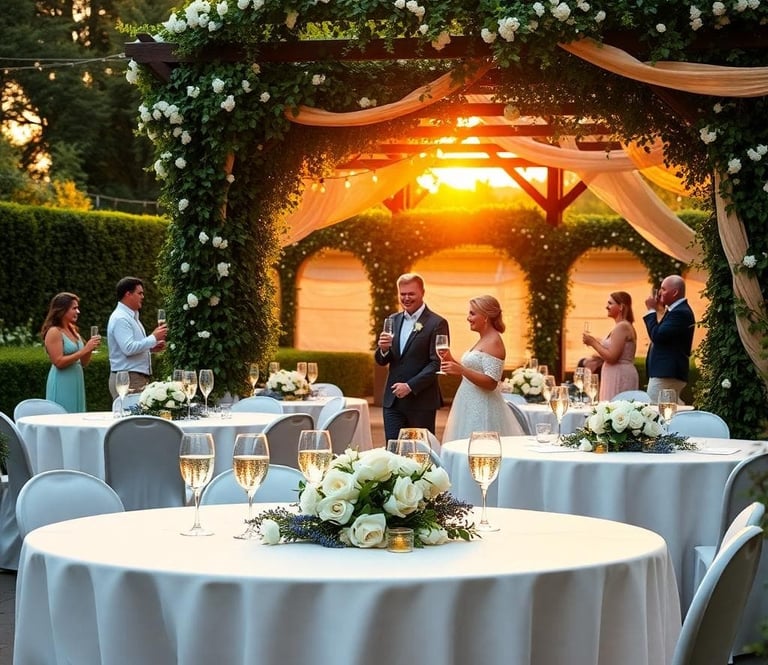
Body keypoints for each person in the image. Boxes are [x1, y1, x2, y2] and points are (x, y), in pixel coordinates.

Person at [375, 273, 449, 442]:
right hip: (392, 402)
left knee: (419, 456)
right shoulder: (392, 320)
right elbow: (381, 360)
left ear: (422, 292)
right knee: (393, 454)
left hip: (421, 402)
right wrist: (383, 349)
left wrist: (409, 386)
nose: (406, 298)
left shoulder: (437, 323)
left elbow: (437, 362)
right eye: (402, 294)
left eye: (411, 294)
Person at [440, 296, 524, 441]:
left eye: (472, 313)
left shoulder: (494, 341)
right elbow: (471, 371)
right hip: (468, 402)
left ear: (485, 316)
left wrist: (461, 370)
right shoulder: (483, 339)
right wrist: (449, 358)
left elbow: (491, 383)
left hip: (482, 407)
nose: (468, 318)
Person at [107, 276, 167, 399]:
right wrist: (153, 338)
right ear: (128, 294)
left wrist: (151, 348)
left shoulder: (131, 316)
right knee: (132, 417)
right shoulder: (121, 318)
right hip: (128, 379)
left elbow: (131, 347)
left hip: (134, 377)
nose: (143, 297)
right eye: (139, 293)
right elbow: (128, 348)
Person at [41, 292, 101, 412]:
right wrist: (84, 349)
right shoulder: (54, 332)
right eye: (74, 308)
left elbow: (83, 363)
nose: (78, 312)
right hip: (62, 381)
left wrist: (90, 349)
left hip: (76, 380)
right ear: (62, 310)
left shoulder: (73, 330)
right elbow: (58, 362)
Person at [642, 274, 696, 403]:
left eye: (663, 289)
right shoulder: (674, 311)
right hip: (666, 372)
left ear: (675, 292)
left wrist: (651, 311)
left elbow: (657, 335)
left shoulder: (680, 312)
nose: (660, 293)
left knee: (655, 411)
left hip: (667, 373)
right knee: (672, 409)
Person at [582, 291, 640, 401]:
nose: (606, 307)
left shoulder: (622, 327)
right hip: (614, 374)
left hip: (619, 375)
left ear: (621, 306)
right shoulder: (621, 326)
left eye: (610, 303)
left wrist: (593, 343)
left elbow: (612, 357)